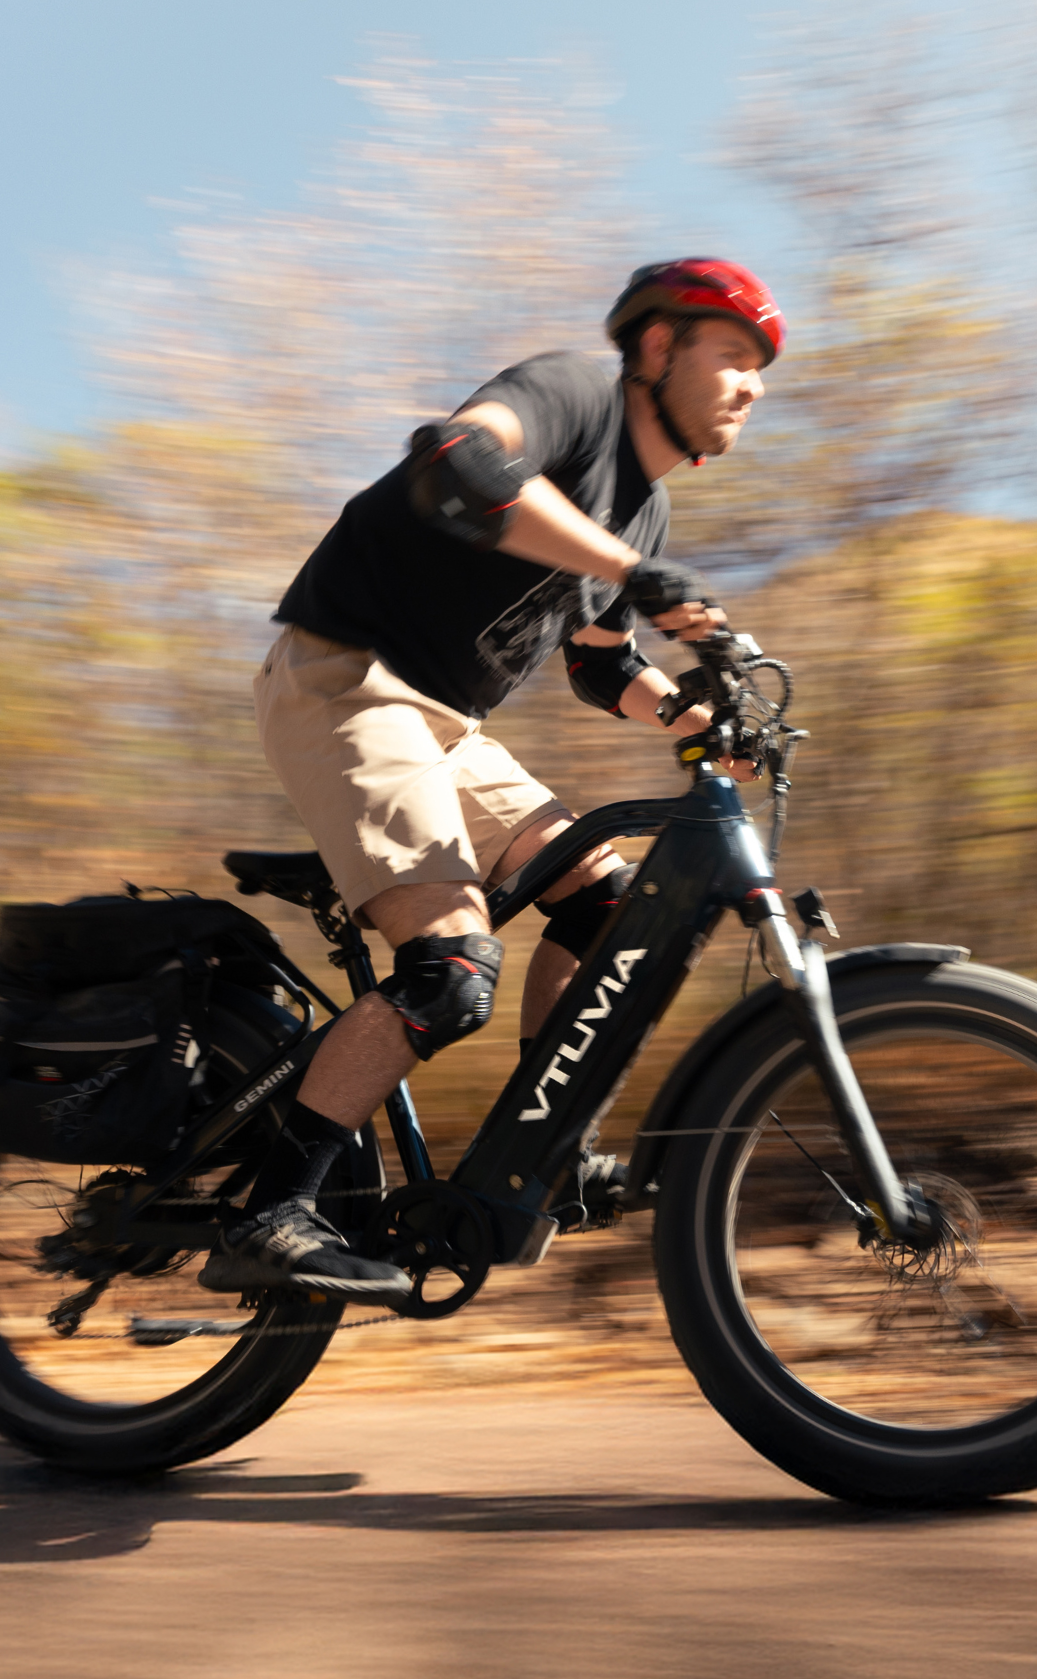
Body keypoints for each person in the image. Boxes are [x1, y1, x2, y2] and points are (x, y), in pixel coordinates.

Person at [200, 258, 786, 1300]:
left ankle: (537, 1149)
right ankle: (265, 1209)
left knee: (609, 902)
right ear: (659, 347)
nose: (751, 385)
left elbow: (599, 664)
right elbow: (455, 464)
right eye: (734, 356)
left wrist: (705, 724)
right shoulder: (572, 397)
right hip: (348, 678)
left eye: (761, 370)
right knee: (453, 971)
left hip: (449, 726)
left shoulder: (641, 515)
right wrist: (630, 572)